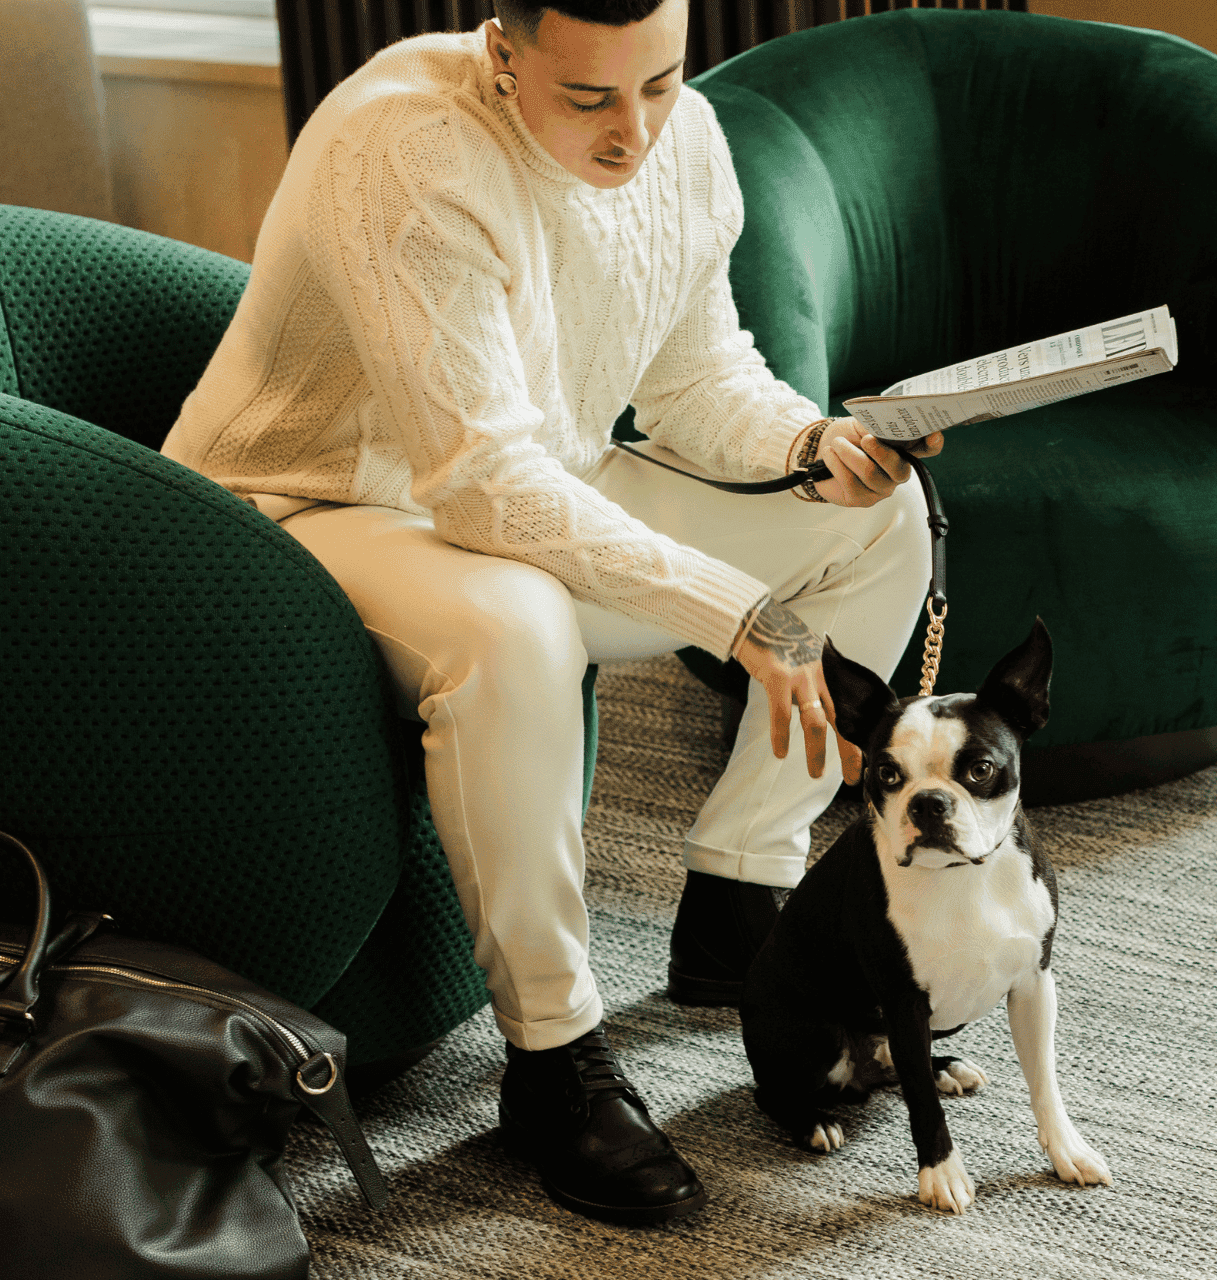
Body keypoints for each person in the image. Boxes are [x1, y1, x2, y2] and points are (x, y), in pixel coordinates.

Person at [161, 0, 942, 1227]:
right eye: (590, 98)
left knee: (881, 518)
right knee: (517, 623)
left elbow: (697, 379)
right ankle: (554, 1061)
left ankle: (740, 893)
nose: (635, 131)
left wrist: (812, 445)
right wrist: (735, 610)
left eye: (660, 83)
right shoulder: (404, 145)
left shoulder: (684, 136)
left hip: (541, 478)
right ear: (502, 49)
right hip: (312, 509)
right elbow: (478, 481)